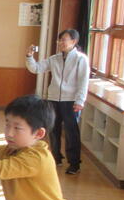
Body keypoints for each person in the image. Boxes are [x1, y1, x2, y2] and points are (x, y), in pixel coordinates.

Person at [25, 29, 89, 175]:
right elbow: (36, 68)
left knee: (71, 132)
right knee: (53, 129)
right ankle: (56, 157)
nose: (61, 43)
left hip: (71, 100)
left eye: (64, 40)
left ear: (74, 41)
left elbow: (83, 82)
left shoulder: (81, 59)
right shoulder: (54, 58)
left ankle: (74, 163)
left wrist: (80, 100)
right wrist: (29, 56)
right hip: (53, 98)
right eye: (59, 40)